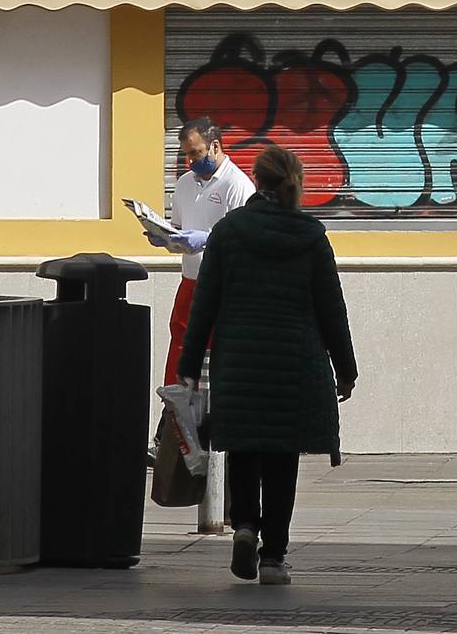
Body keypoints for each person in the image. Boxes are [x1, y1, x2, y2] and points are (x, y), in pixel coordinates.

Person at [177, 145, 357, 586]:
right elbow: (332, 308)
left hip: (239, 360)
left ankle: (244, 526)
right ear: (296, 183)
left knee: (243, 447)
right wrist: (345, 368)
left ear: (256, 181)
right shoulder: (311, 235)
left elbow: (206, 302)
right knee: (281, 459)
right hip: (293, 363)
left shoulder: (229, 231)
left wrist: (188, 359)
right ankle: (274, 557)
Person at [146, 116, 255, 388]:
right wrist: (166, 238)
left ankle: (212, 415)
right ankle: (175, 411)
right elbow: (181, 229)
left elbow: (245, 241)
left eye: (196, 153)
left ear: (215, 146)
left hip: (223, 286)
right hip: (190, 281)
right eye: (187, 154)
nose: (191, 161)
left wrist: (206, 239)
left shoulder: (237, 185)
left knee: (218, 352)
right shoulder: (184, 183)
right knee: (181, 345)